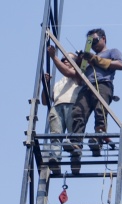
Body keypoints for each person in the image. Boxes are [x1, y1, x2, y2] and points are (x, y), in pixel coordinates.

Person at [67, 28, 122, 174]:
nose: (92, 44)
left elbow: (120, 65)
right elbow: (79, 78)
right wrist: (81, 61)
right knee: (78, 112)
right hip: (86, 87)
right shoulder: (88, 57)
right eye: (89, 42)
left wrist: (96, 59)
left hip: (103, 84)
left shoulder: (112, 51)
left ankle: (98, 138)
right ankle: (76, 145)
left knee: (101, 110)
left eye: (95, 41)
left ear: (103, 38)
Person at [41, 46, 81, 175]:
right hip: (57, 107)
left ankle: (75, 161)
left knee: (73, 137)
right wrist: (46, 84)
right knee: (55, 136)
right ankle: (55, 161)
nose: (64, 60)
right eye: (63, 59)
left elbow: (67, 72)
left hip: (72, 105)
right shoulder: (59, 82)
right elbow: (45, 101)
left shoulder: (79, 75)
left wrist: (54, 57)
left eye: (68, 59)